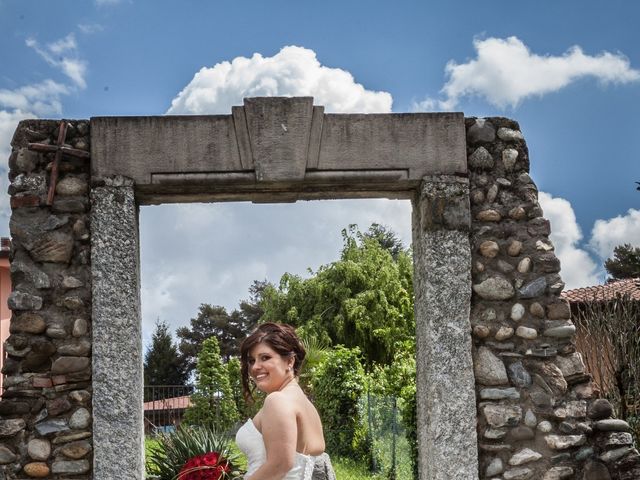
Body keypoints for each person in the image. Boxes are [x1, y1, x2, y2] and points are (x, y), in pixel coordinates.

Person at [235, 322, 325, 480]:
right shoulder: (308, 407)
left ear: (290, 361)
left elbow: (280, 465)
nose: (255, 367)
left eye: (265, 357)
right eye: (251, 361)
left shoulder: (277, 400)